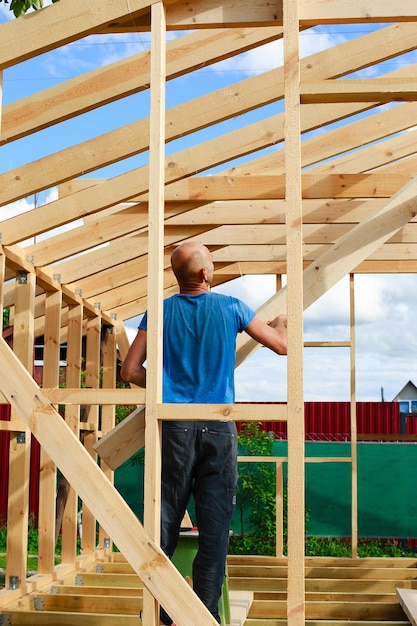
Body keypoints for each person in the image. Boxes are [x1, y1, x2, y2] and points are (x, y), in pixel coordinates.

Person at [121, 241, 287, 625]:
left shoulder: (159, 312)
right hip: (218, 428)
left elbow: (129, 372)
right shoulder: (232, 307)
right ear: (204, 274)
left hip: (174, 427)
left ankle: (162, 613)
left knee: (164, 525)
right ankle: (203, 616)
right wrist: (282, 324)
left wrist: (166, 386)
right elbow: (281, 346)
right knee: (214, 531)